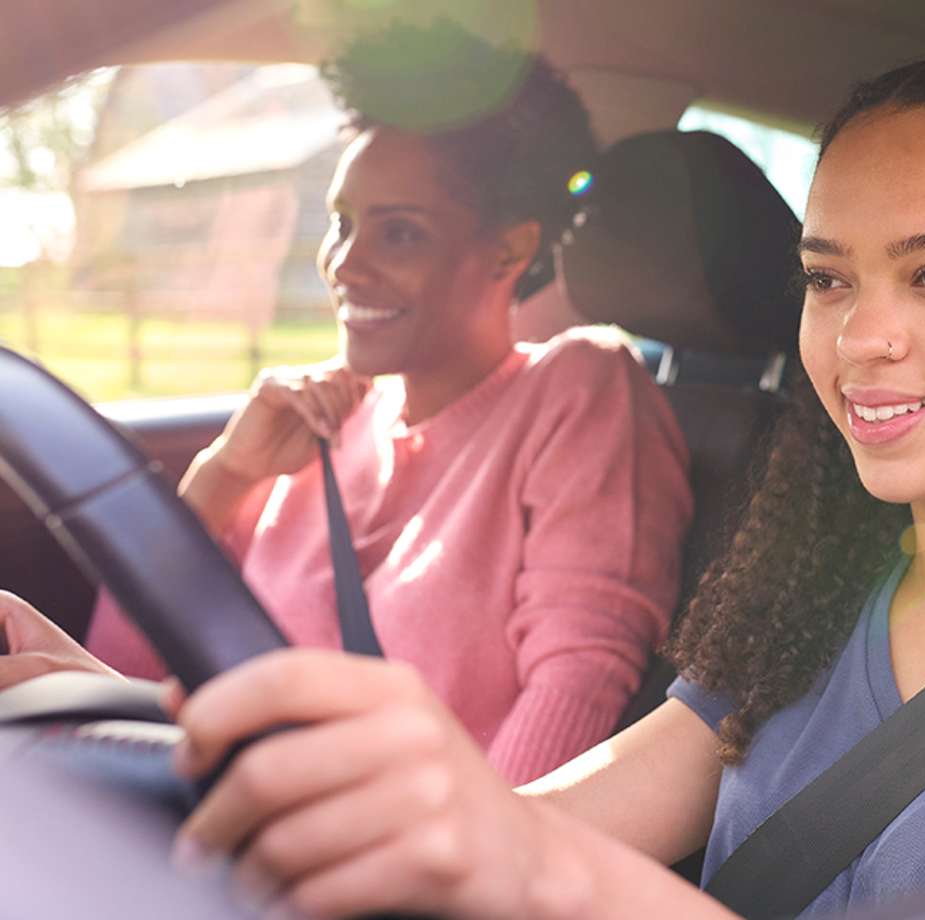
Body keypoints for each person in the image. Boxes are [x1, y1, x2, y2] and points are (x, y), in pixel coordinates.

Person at [0, 55, 925, 918]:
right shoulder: (821, 581)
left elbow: (533, 859)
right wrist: (169, 745)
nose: (858, 336)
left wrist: (533, 868)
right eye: (830, 278)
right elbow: (528, 827)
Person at [10, 25, 694, 786]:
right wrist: (224, 474)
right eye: (342, 223)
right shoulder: (314, 421)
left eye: (399, 234)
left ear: (508, 250)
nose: (344, 264)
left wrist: (465, 884)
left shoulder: (580, 388)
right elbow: (148, 674)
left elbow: (579, 679)